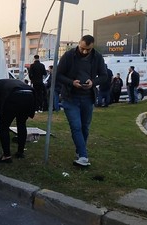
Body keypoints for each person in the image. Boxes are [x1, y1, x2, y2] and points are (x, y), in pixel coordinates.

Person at [56, 35, 108, 167]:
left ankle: (80, 152)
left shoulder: (97, 57)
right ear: (79, 44)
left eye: (88, 50)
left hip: (88, 97)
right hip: (70, 97)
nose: (84, 51)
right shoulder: (68, 56)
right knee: (76, 126)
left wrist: (93, 82)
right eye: (82, 48)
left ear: (92, 47)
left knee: (85, 127)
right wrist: (72, 82)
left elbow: (104, 76)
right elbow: (58, 74)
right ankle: (84, 156)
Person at [0, 79, 36, 163]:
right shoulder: (6, 82)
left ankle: (6, 156)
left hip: (14, 96)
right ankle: (20, 152)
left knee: (3, 126)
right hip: (30, 95)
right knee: (21, 124)